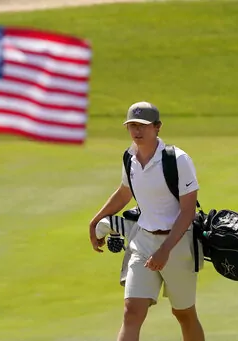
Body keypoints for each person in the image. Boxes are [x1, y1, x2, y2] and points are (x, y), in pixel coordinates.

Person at [88, 101, 206, 341]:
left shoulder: (178, 160)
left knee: (184, 314)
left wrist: (165, 250)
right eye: (132, 125)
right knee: (131, 312)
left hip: (178, 244)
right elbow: (124, 192)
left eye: (143, 126)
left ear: (157, 127)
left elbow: (187, 211)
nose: (137, 131)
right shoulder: (129, 158)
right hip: (142, 242)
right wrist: (96, 220)